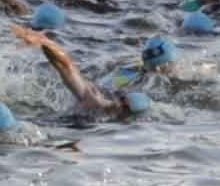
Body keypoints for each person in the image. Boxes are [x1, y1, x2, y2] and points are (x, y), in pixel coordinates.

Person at [14, 23, 157, 119]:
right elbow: (66, 66)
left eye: (125, 106)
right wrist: (44, 43)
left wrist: (44, 43)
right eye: (122, 100)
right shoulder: (93, 101)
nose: (119, 105)